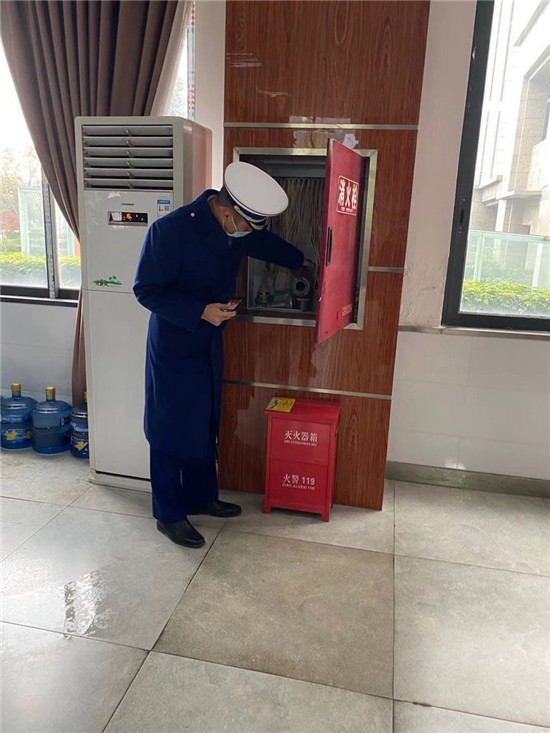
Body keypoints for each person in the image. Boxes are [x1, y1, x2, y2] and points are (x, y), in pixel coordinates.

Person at [134, 162, 310, 548]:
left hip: (209, 340)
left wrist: (302, 261)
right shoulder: (170, 231)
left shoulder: (236, 230)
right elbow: (146, 290)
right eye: (245, 225)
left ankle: (201, 496)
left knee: (204, 418)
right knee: (169, 426)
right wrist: (200, 311)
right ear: (228, 213)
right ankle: (168, 513)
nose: (246, 234)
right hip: (175, 343)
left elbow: (262, 243)